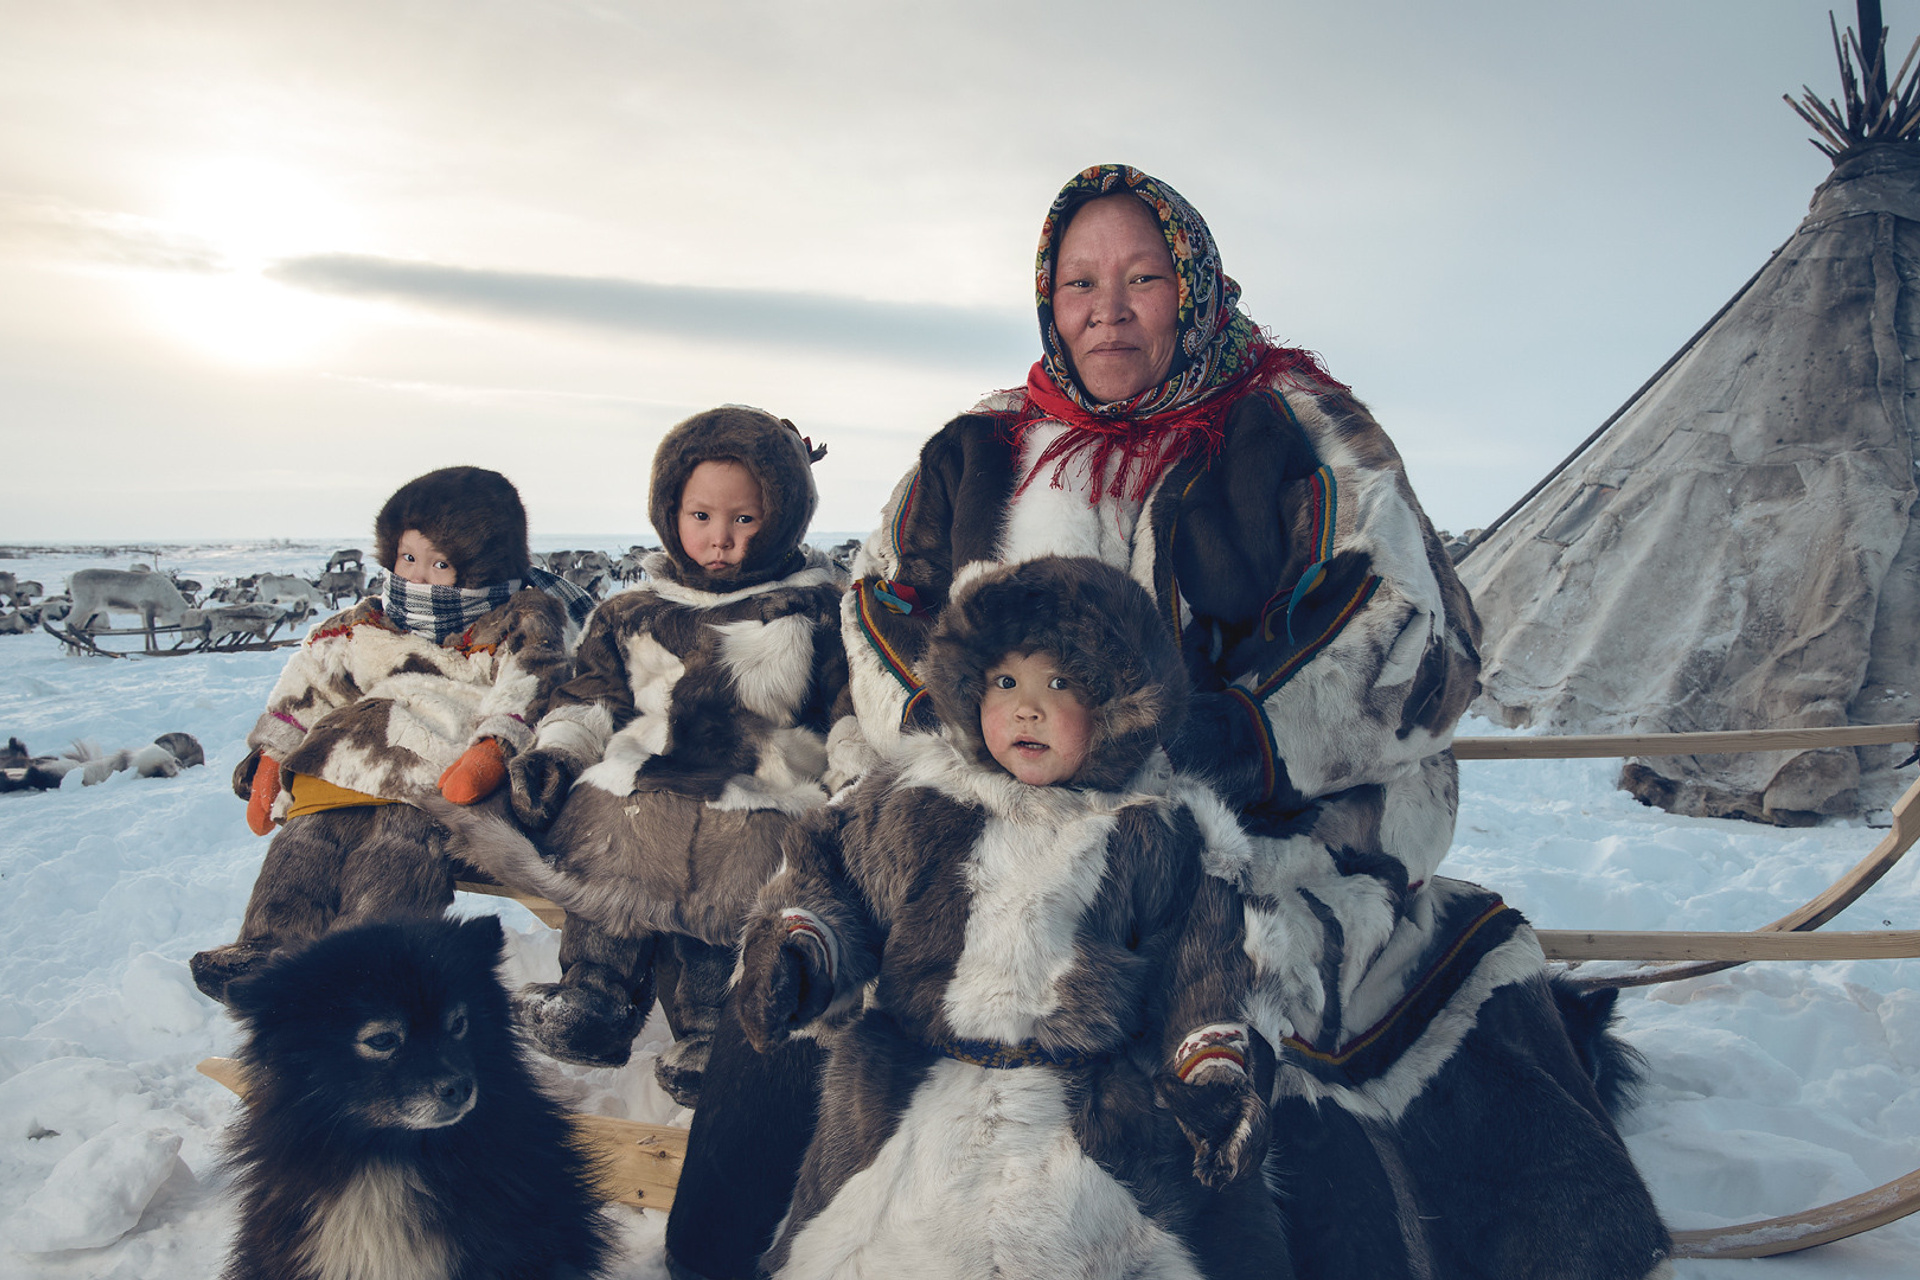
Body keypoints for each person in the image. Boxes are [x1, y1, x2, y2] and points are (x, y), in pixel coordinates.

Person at [667, 165, 1670, 1280]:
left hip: (1252, 822)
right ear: (1048, 298)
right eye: (1081, 281)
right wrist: (965, 740)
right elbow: (883, 607)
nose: (1108, 306)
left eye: (1140, 277)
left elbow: (1390, 624)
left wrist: (1209, 742)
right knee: (843, 968)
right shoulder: (979, 449)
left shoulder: (1297, 431)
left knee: (1236, 997)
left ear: (1191, 286)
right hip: (988, 815)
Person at [735, 555, 1285, 1280]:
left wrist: (1210, 1068)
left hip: (1080, 1117)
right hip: (906, 1095)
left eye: (1059, 684)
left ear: (1123, 705)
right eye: (1004, 683)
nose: (1026, 708)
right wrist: (798, 951)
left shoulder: (1162, 833)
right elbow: (830, 875)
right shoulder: (916, 801)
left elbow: (1210, 964)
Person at [486, 406, 849, 1103]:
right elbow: (591, 697)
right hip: (642, 785)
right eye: (701, 516)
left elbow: (846, 711)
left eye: (745, 519)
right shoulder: (632, 612)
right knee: (606, 856)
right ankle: (594, 994)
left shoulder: (817, 614)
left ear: (785, 514)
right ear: (669, 512)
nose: (722, 540)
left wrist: (852, 784)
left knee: (729, 898)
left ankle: (714, 1030)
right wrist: (558, 751)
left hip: (758, 785)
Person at [189, 466, 594, 1005]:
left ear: (483, 566)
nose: (419, 577)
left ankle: (369, 955)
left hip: (438, 774)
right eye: (409, 558)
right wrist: (272, 752)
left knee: (397, 850)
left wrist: (494, 747)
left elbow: (530, 683)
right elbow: (315, 681)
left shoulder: (518, 621)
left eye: (441, 563)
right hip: (344, 768)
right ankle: (268, 946)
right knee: (305, 842)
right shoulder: (368, 622)